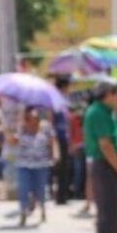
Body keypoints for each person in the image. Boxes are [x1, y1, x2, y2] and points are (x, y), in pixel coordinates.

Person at [83, 81, 117, 233]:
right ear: (109, 94)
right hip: (105, 167)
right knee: (109, 217)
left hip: (107, 166)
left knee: (111, 217)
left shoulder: (105, 112)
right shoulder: (98, 113)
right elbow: (106, 146)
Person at [11, 107, 58, 227]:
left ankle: (42, 209)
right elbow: (12, 141)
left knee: (40, 190)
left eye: (35, 118)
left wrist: (55, 155)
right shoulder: (21, 128)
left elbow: (53, 142)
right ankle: (23, 213)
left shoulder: (46, 128)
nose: (33, 121)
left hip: (41, 165)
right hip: (24, 164)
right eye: (30, 118)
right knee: (24, 189)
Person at [53, 76, 72, 205]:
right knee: (61, 168)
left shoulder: (63, 100)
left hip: (64, 137)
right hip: (58, 137)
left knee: (65, 167)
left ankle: (63, 194)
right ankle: (60, 196)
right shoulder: (55, 101)